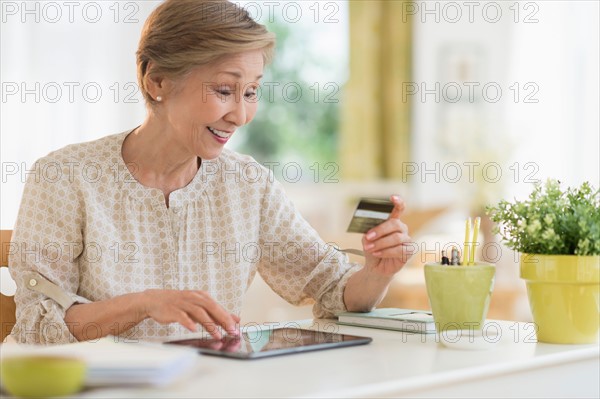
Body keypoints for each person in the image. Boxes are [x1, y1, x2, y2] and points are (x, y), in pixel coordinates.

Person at [8, 0, 415, 345]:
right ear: (158, 81)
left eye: (251, 92)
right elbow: (39, 327)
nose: (240, 115)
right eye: (224, 90)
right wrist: (146, 302)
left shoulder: (247, 184)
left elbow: (332, 291)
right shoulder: (64, 176)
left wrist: (376, 272)